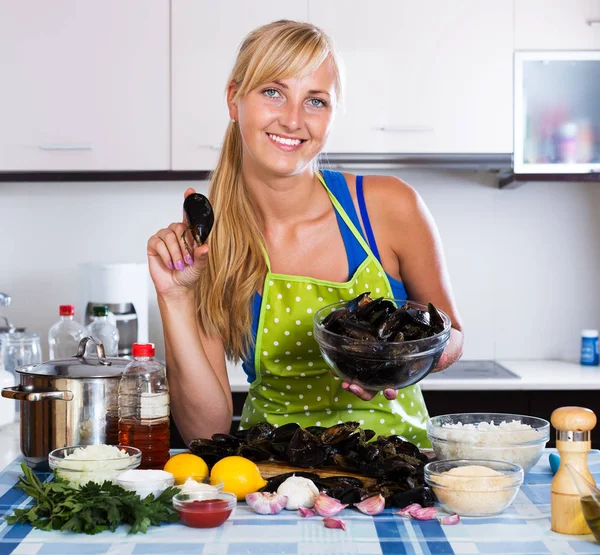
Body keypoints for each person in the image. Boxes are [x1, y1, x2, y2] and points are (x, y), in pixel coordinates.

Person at [147, 20, 463, 448]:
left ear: (332, 115)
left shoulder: (389, 205)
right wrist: (175, 298)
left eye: (315, 101)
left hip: (395, 466)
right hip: (272, 480)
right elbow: (207, 432)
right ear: (234, 99)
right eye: (273, 92)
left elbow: (451, 335)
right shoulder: (213, 243)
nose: (293, 119)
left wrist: (396, 364)